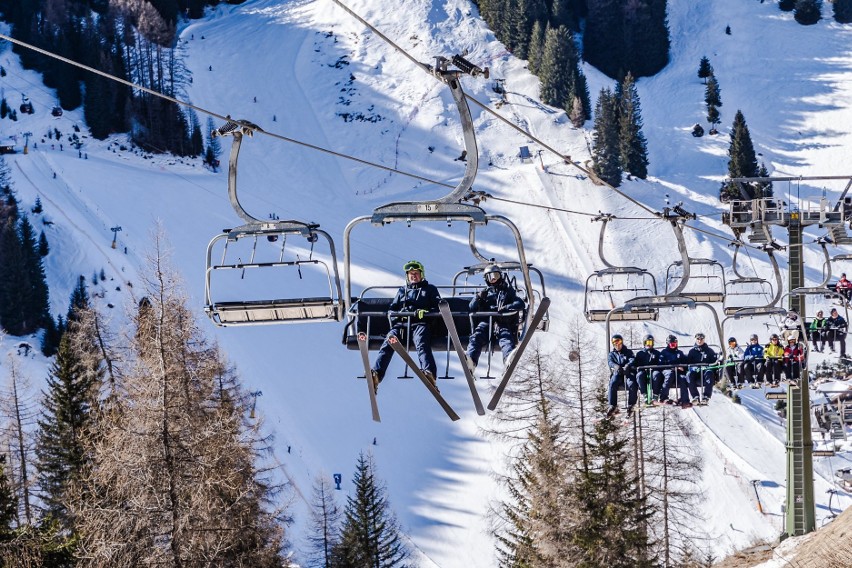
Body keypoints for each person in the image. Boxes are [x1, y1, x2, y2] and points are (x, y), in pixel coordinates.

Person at [371, 260, 441, 394]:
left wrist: (426, 312)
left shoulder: (430, 289)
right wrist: (394, 313)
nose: (413, 276)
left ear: (421, 274)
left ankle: (429, 373)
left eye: (416, 273)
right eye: (410, 274)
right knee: (389, 341)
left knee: (421, 343)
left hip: (420, 324)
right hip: (401, 325)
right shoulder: (403, 290)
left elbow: (439, 306)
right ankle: (377, 374)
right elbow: (393, 307)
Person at [466, 264, 525, 369]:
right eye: (491, 277)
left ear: (500, 276)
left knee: (505, 336)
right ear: (486, 279)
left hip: (501, 322)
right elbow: (471, 308)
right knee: (476, 337)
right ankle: (471, 362)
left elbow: (520, 303)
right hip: (486, 322)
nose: (494, 279)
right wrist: (478, 298)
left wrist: (507, 307)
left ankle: (508, 358)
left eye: (496, 275)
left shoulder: (507, 291)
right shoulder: (485, 293)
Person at [607, 334, 637, 417]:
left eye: (619, 342)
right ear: (613, 344)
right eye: (615, 343)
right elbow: (610, 362)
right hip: (618, 373)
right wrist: (616, 366)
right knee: (613, 383)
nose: (617, 345)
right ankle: (612, 405)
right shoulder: (612, 354)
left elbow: (632, 359)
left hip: (628, 372)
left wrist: (628, 365)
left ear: (622, 342)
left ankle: (631, 404)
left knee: (632, 384)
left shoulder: (628, 352)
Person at [686, 333, 718, 404]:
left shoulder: (709, 351)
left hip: (705, 371)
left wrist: (709, 367)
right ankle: (695, 396)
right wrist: (693, 368)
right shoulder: (692, 352)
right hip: (696, 371)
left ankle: (706, 396)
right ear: (695, 339)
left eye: (701, 339)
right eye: (698, 339)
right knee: (689, 375)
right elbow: (688, 363)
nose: (699, 341)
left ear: (704, 340)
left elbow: (714, 362)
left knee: (709, 373)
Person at [657, 335, 688, 407]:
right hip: (667, 370)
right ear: (668, 344)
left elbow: (684, 362)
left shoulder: (679, 353)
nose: (673, 346)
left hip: (678, 372)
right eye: (672, 344)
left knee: (683, 378)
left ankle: (685, 400)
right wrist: (673, 368)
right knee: (669, 375)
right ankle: (663, 397)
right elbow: (661, 364)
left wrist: (683, 368)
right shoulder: (664, 353)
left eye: (675, 344)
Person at [634, 334, 663, 405]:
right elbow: (637, 364)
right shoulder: (640, 353)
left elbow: (660, 363)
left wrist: (656, 367)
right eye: (647, 343)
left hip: (653, 371)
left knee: (657, 375)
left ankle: (655, 395)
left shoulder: (657, 353)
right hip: (643, 371)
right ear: (644, 343)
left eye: (651, 343)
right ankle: (645, 395)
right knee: (639, 375)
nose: (649, 345)